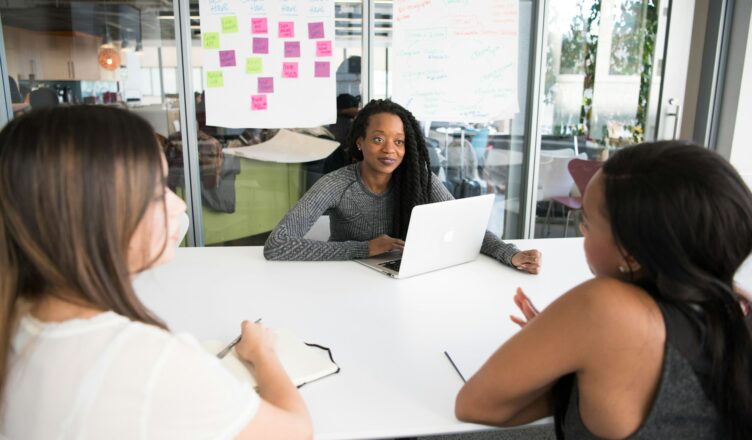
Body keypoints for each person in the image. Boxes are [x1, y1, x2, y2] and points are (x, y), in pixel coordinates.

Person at [0, 106, 312, 439]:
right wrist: (262, 353)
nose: (179, 205)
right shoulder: (144, 363)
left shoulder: (20, 321)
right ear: (95, 218)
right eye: (155, 193)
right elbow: (295, 431)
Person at [455, 141, 752, 439]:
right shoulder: (735, 303)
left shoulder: (604, 308)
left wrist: (569, 351)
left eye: (586, 222)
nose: (581, 232)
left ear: (631, 253)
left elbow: (475, 405)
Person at [264, 99, 541, 273]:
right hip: (343, 281)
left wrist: (511, 254)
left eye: (399, 141)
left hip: (402, 279)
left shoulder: (417, 179)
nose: (390, 150)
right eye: (377, 139)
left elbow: (467, 226)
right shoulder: (336, 184)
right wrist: (364, 249)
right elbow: (277, 245)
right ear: (359, 142)